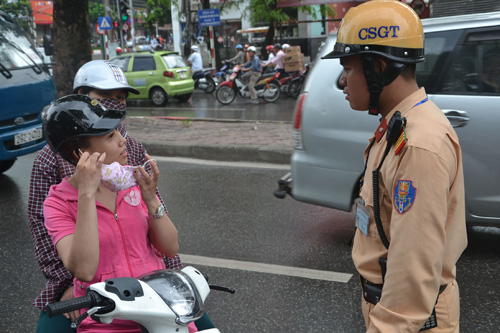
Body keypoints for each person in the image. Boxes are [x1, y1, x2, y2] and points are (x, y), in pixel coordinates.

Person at [29, 60, 215, 332]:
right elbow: (45, 232)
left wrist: (174, 277)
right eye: (106, 97)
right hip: (97, 296)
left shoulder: (130, 150)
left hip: (155, 293)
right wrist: (68, 285)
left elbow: (162, 236)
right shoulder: (51, 163)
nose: (120, 141)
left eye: (120, 98)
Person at [322, 0, 467, 332]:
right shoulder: (398, 126)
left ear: (379, 68)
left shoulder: (418, 146)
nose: (343, 81)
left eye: (348, 67)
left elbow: (412, 269)